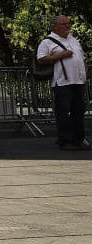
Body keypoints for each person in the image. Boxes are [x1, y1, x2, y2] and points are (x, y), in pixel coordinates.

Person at [36, 15, 88, 150]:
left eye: (68, 23)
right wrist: (60, 55)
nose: (67, 26)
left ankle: (78, 140)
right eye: (64, 24)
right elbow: (41, 59)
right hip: (62, 82)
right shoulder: (47, 42)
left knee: (79, 111)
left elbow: (82, 58)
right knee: (63, 113)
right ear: (55, 26)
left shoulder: (74, 40)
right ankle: (65, 141)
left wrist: (85, 72)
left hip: (79, 81)